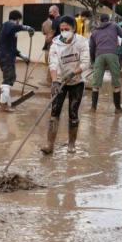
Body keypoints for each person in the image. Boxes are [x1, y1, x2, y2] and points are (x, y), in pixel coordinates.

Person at [41, 16, 90, 154]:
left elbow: (86, 62)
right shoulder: (55, 43)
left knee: (73, 113)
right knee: (54, 112)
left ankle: (71, 144)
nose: (63, 32)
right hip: (60, 81)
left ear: (73, 29)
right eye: (61, 29)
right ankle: (50, 145)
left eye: (66, 29)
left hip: (77, 82)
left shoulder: (81, 41)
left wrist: (74, 73)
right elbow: (53, 63)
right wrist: (55, 81)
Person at [0, 10, 34, 112]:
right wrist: (27, 28)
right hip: (6, 57)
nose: (19, 23)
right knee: (8, 79)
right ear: (17, 19)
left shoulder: (10, 32)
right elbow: (14, 27)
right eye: (19, 21)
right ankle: (3, 106)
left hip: (6, 55)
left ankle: (2, 97)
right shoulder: (8, 25)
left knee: (11, 77)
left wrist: (23, 56)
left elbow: (13, 48)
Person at [89, 13, 122, 112]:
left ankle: (93, 108)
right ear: (109, 19)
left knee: (96, 84)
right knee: (116, 82)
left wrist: (93, 60)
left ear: (100, 20)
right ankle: (117, 108)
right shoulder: (114, 25)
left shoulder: (94, 31)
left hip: (99, 56)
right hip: (112, 54)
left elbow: (91, 48)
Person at [41, 5, 62, 86]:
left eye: (50, 12)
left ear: (55, 11)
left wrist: (47, 41)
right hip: (62, 45)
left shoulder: (55, 21)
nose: (50, 14)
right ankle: (58, 80)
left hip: (54, 45)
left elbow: (51, 34)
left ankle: (50, 81)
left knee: (52, 62)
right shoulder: (63, 19)